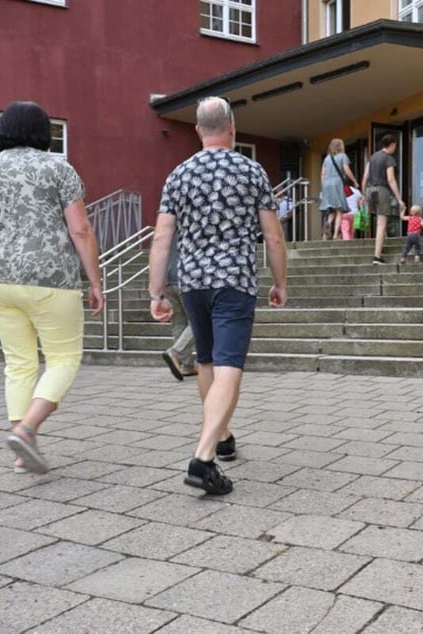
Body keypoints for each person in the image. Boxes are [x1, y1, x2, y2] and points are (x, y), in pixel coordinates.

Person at [0, 100, 104, 475]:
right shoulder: (58, 169)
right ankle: (28, 430)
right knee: (63, 358)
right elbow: (80, 229)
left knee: (19, 364)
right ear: (43, 132)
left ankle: (20, 449)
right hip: (50, 277)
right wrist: (95, 280)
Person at [148, 96, 288, 496]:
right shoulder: (252, 171)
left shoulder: (178, 174)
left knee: (207, 360)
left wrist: (156, 291)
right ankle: (203, 457)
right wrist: (280, 282)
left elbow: (162, 237)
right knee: (229, 364)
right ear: (232, 127)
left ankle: (223, 434)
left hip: (192, 281)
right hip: (234, 280)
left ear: (197, 131)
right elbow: (273, 235)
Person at [361, 134, 406, 264]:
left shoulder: (373, 157)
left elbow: (365, 178)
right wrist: (399, 199)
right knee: (381, 223)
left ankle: (381, 247)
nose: (395, 148)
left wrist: (364, 195)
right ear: (392, 145)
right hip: (382, 190)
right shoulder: (389, 159)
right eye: (395, 146)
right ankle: (377, 256)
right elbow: (391, 179)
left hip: (370, 190)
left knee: (378, 220)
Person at [161, 230, 197, 382]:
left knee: (179, 322)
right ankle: (175, 352)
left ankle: (187, 365)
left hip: (168, 280)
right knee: (199, 321)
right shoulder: (193, 226)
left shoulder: (168, 230)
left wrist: (159, 293)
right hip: (187, 278)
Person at [319, 138, 359, 240]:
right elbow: (347, 170)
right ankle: (336, 234)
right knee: (339, 210)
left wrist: (323, 187)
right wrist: (354, 181)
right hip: (337, 183)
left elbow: (323, 173)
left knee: (331, 210)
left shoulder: (327, 158)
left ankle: (325, 230)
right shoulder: (343, 156)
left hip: (327, 185)